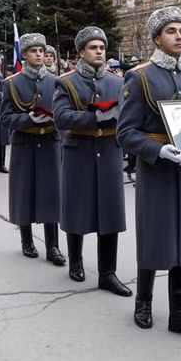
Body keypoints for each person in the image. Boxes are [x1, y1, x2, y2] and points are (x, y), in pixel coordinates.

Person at [117, 6, 181, 343]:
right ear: (157, 38)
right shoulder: (140, 76)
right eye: (171, 31)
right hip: (158, 168)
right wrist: (158, 150)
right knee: (155, 234)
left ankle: (180, 313)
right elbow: (126, 131)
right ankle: (143, 301)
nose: (179, 36)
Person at [53, 25, 132, 296]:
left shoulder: (117, 82)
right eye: (93, 48)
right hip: (79, 152)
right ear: (81, 53)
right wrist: (94, 117)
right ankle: (76, 262)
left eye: (102, 48)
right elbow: (61, 117)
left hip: (109, 151)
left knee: (110, 212)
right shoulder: (66, 81)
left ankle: (108, 273)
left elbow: (129, 115)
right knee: (77, 209)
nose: (99, 52)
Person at [0, 33, 66, 266]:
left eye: (42, 51)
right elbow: (6, 118)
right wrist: (27, 119)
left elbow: (63, 111)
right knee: (24, 193)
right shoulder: (12, 83)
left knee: (52, 195)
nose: (39, 55)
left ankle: (53, 246)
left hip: (50, 142)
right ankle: (26, 241)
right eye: (34, 51)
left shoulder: (56, 81)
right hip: (25, 144)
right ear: (24, 54)